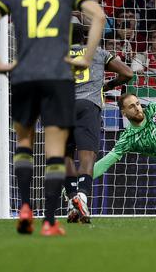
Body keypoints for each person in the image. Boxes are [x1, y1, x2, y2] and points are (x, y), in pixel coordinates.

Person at [0, 0, 106, 236]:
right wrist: (86, 56)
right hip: (57, 76)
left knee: (23, 145)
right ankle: (49, 221)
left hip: (24, 74)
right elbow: (98, 15)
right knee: (55, 149)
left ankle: (24, 211)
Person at [64, 23, 133, 224]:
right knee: (87, 157)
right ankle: (82, 198)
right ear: (83, 38)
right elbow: (128, 73)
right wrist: (109, 85)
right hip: (87, 106)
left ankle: (71, 203)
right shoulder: (97, 52)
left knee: (66, 157)